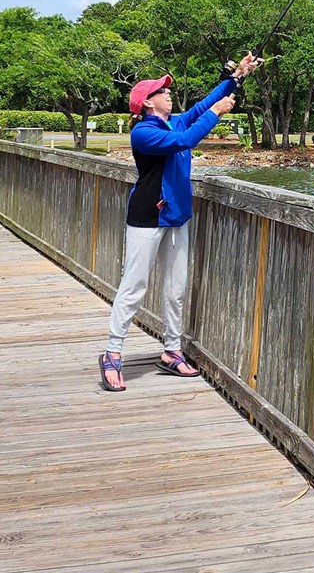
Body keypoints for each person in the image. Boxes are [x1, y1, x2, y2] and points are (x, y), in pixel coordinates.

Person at [100, 53, 261, 391]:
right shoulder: (144, 132)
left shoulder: (173, 121)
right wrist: (217, 114)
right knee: (134, 286)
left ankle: (171, 350)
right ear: (147, 102)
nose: (169, 94)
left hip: (177, 216)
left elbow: (203, 106)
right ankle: (112, 352)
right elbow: (186, 141)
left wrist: (237, 77)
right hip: (147, 216)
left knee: (175, 289)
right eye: (162, 91)